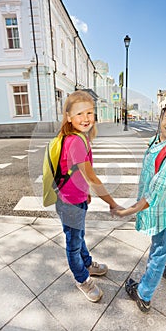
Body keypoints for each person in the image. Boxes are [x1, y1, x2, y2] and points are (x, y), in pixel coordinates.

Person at [112, 98, 166, 312]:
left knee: (158, 253)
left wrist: (128, 210)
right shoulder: (156, 141)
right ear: (161, 115)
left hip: (163, 214)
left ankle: (144, 294)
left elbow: (154, 195)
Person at [55, 90, 120, 303]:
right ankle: (82, 278)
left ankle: (87, 264)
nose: (86, 118)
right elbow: (91, 177)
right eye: (79, 113)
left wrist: (85, 194)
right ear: (69, 116)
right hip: (69, 203)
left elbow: (78, 174)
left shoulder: (81, 138)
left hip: (77, 199)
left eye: (90, 112)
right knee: (73, 243)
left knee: (79, 236)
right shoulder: (74, 141)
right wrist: (112, 203)